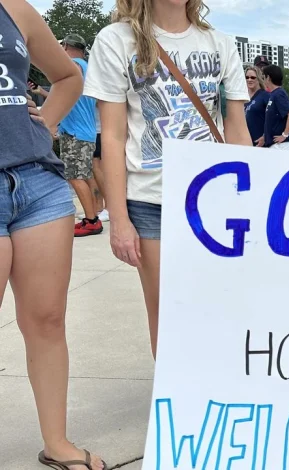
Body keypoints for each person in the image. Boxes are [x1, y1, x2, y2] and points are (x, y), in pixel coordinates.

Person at [84, 0, 252, 359]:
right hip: (151, 201)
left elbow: (237, 128)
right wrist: (119, 219)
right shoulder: (115, 40)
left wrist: (251, 198)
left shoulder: (219, 43)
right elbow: (112, 137)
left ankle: (218, 392)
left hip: (218, 198)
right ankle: (175, 406)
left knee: (223, 304)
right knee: (166, 312)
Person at [0, 0, 106, 468]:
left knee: (46, 319)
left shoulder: (15, 10)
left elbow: (68, 77)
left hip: (38, 180)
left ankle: (57, 442)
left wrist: (46, 121)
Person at [34, 34, 102, 236]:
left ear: (65, 47)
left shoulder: (72, 66)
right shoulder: (88, 67)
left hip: (75, 132)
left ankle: (91, 220)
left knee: (74, 176)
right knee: (86, 176)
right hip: (87, 130)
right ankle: (94, 214)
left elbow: (60, 84)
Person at [261, 64, 289, 150]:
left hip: (281, 145)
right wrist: (265, 137)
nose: (263, 80)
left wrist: (285, 135)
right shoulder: (274, 94)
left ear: (268, 78)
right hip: (275, 144)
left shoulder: (279, 94)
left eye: (263, 77)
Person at [244, 65, 270, 146]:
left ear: (258, 78)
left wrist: (265, 136)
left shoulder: (265, 95)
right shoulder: (242, 97)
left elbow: (274, 118)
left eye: (253, 77)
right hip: (246, 142)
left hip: (261, 143)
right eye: (247, 77)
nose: (249, 79)